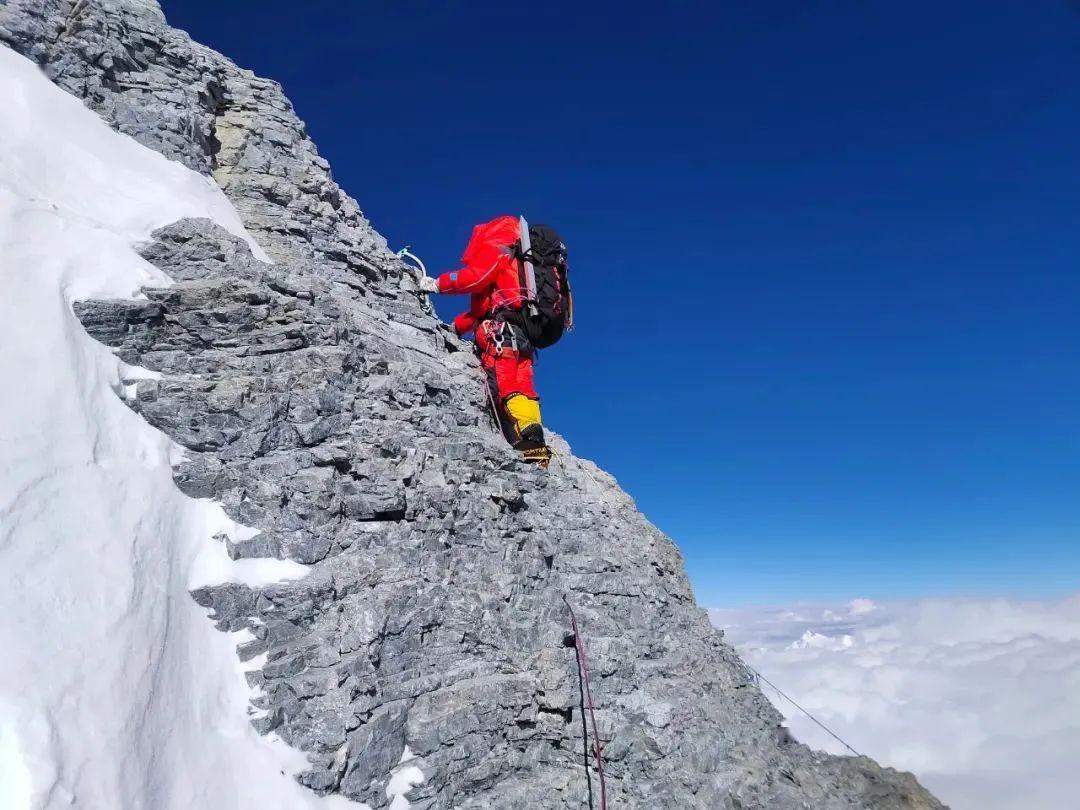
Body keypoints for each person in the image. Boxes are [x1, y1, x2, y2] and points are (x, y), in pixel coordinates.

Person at [418, 215, 551, 464]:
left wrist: (437, 284)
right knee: (525, 387)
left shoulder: (498, 248)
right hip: (524, 337)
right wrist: (457, 327)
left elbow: (475, 278)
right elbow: (483, 309)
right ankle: (537, 448)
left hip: (501, 336)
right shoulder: (520, 262)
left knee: (506, 386)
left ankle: (530, 444)